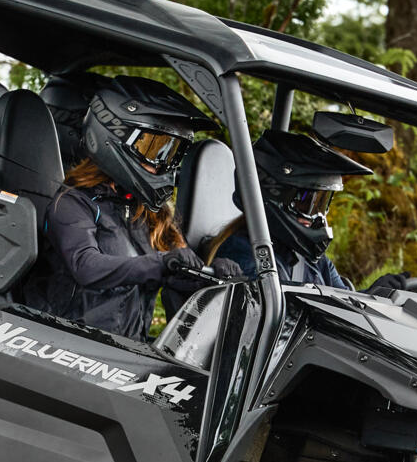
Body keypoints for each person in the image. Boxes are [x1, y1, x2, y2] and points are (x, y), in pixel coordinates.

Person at [23, 76, 238, 341]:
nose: (163, 164)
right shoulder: (73, 202)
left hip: (123, 349)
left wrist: (211, 275)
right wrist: (161, 263)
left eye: (172, 153)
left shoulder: (151, 215)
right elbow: (87, 266)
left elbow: (175, 275)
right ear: (115, 136)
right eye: (155, 149)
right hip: (63, 343)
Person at [210, 129, 371, 289]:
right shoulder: (244, 255)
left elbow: (347, 300)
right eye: (306, 203)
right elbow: (277, 303)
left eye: (321, 204)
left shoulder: (310, 259)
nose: (318, 217)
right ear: (275, 195)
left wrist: (380, 292)